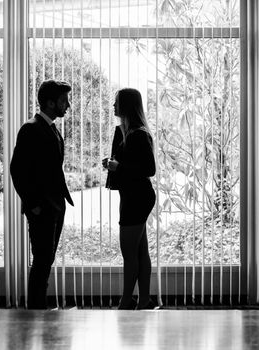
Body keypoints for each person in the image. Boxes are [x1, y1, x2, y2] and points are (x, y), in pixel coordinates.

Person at [10, 80, 74, 309]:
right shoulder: (31, 128)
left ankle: (39, 308)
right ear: (50, 102)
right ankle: (35, 310)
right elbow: (17, 170)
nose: (67, 105)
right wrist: (33, 204)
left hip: (56, 205)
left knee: (46, 260)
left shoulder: (51, 127)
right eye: (63, 101)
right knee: (42, 261)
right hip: (42, 207)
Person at [103, 88, 156, 310]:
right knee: (140, 252)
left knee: (129, 254)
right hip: (133, 196)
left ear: (126, 105)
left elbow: (149, 169)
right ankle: (144, 300)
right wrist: (114, 164)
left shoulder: (139, 133)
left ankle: (126, 301)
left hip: (137, 198)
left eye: (116, 102)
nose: (113, 106)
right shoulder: (127, 131)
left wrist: (118, 167)